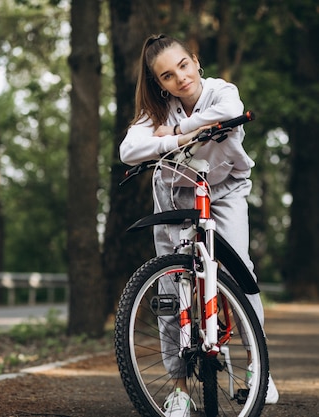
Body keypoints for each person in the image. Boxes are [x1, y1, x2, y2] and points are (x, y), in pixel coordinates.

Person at [119, 34, 279, 416]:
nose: (180, 79)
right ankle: (179, 390)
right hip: (176, 196)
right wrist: (173, 136)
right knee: (173, 287)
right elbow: (129, 149)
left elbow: (229, 109)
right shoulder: (156, 113)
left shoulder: (220, 90)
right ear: (159, 84)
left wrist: (179, 132)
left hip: (224, 191)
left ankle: (260, 369)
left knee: (240, 272)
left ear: (195, 60)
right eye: (167, 76)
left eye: (183, 66)